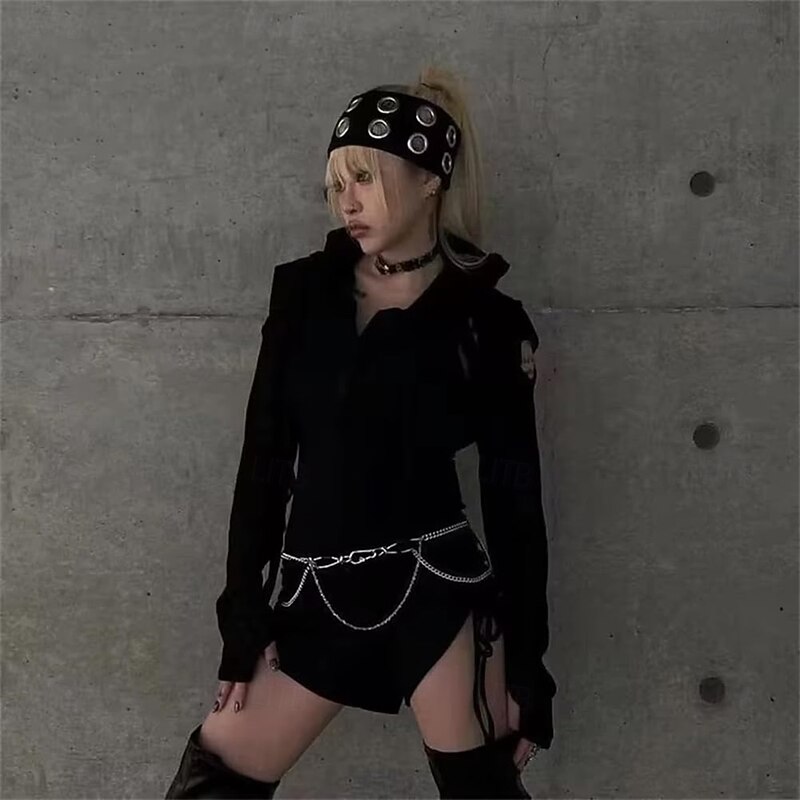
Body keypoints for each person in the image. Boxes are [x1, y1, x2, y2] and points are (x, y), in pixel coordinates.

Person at [164, 66, 556, 799]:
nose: (347, 201)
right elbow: (264, 462)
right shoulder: (305, 294)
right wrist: (243, 613)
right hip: (315, 593)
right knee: (213, 783)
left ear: (430, 181)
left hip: (438, 591)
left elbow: (514, 500)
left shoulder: (488, 322)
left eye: (366, 179)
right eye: (337, 184)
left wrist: (529, 664)